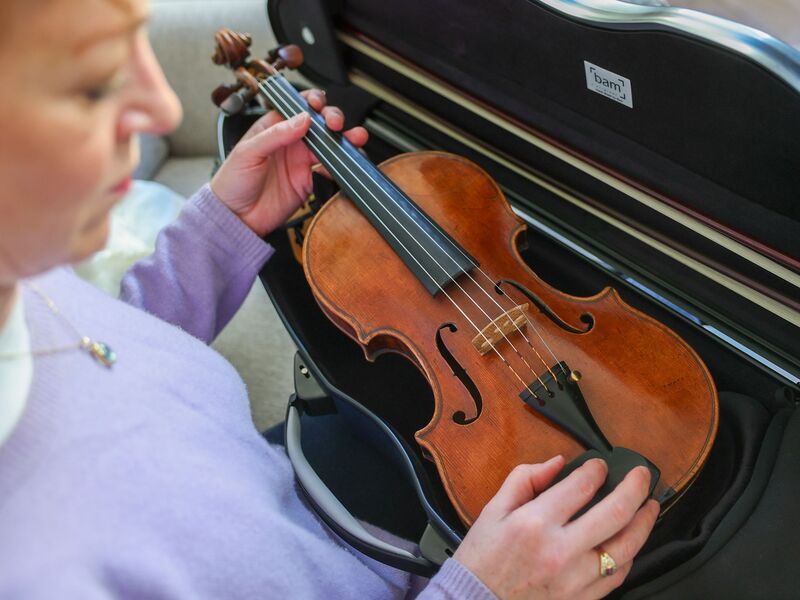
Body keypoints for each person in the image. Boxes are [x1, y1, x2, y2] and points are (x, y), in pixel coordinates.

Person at [0, 0, 659, 598]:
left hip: (319, 499)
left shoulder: (23, 280)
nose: (165, 113)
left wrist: (218, 234)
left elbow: (113, 351)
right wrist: (479, 592)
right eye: (91, 83)